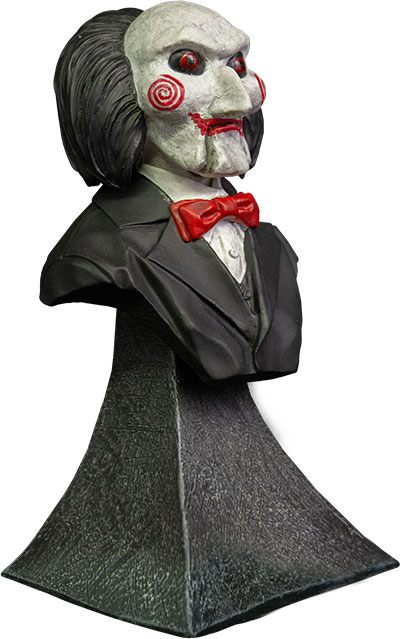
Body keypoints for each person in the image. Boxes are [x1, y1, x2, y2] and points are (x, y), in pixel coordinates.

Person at [3, 3, 397, 636]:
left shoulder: (268, 242)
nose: (240, 94)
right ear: (115, 92)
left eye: (238, 63)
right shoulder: (101, 246)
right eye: (188, 63)